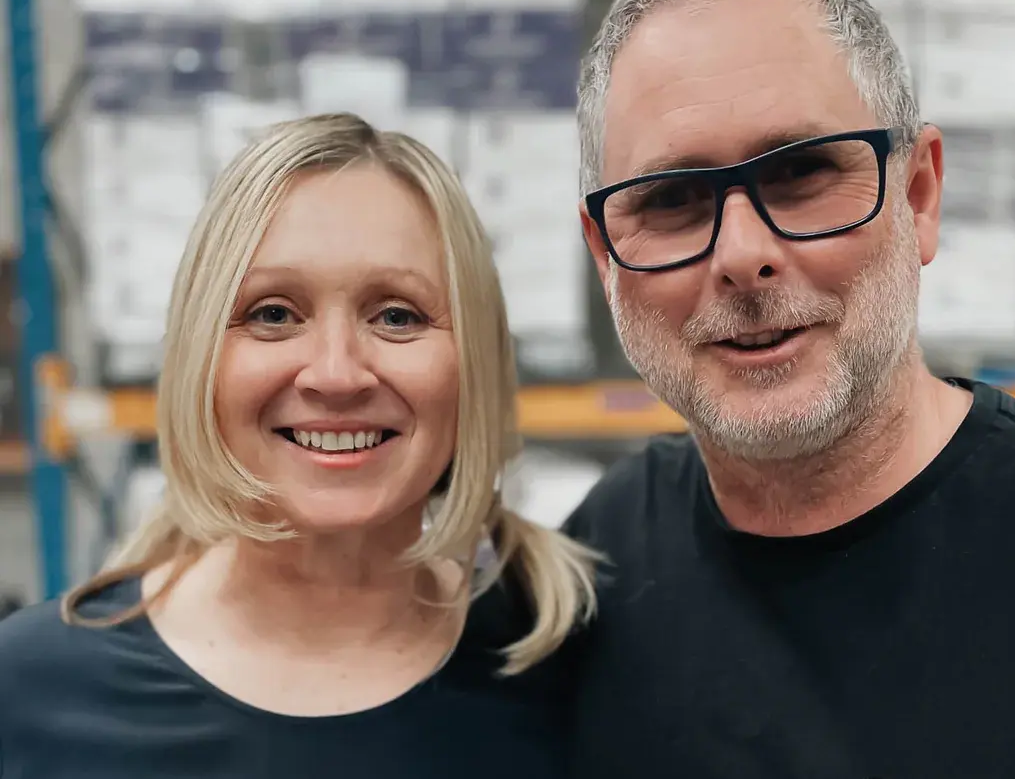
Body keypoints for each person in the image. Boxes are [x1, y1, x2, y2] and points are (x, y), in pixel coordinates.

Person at [562, 0, 1015, 778]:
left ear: (918, 196)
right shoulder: (598, 564)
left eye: (799, 173)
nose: (742, 256)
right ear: (606, 255)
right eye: (675, 197)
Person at [0, 113, 597, 778]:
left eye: (397, 315)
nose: (336, 374)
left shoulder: (575, 668)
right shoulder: (29, 693)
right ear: (201, 358)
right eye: (273, 314)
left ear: (474, 364)